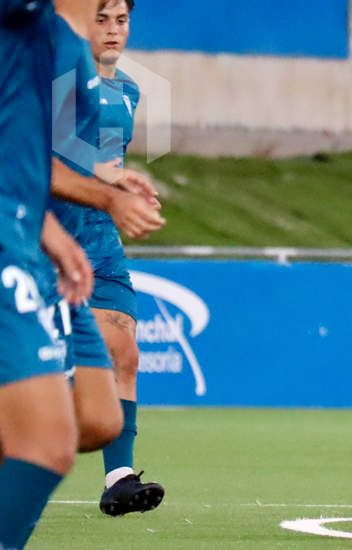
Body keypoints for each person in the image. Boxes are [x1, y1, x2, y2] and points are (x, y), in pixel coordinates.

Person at [51, 0, 166, 516]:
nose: (113, 29)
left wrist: (124, 193)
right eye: (102, 18)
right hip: (46, 231)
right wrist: (112, 178)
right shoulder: (55, 73)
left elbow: (106, 162)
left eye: (121, 19)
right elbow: (52, 150)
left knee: (125, 349)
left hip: (98, 234)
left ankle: (119, 477)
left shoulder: (131, 90)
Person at [0, 1, 94, 547]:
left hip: (18, 230)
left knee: (41, 441)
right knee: (47, 443)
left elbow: (18, 145)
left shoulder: (49, 35)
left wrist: (47, 231)